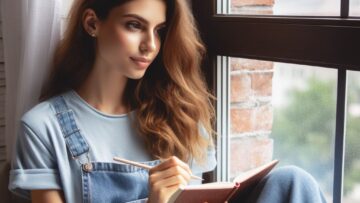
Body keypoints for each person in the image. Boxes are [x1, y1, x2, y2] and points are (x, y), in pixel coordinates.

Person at [8, 0, 327, 203]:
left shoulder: (180, 110)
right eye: (134, 25)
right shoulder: (42, 128)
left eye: (159, 31)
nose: (150, 45)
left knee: (293, 182)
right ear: (92, 23)